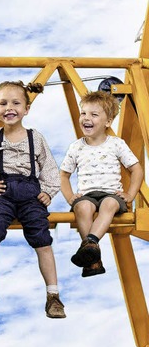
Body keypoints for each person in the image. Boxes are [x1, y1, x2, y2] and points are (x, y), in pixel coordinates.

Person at [0, 80, 66, 318]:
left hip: (31, 194)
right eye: (3, 103)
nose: (9, 108)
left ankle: (53, 295)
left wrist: (49, 191)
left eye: (16, 103)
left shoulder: (35, 138)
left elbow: (49, 167)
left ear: (27, 109)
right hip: (3, 191)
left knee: (42, 238)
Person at [60, 91, 143, 277]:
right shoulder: (76, 147)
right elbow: (63, 175)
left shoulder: (116, 144)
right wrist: (70, 197)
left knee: (109, 204)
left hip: (111, 194)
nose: (86, 118)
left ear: (108, 122)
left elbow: (136, 169)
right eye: (84, 113)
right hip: (87, 194)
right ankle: (93, 257)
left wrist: (130, 194)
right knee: (82, 207)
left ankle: (90, 243)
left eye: (94, 114)